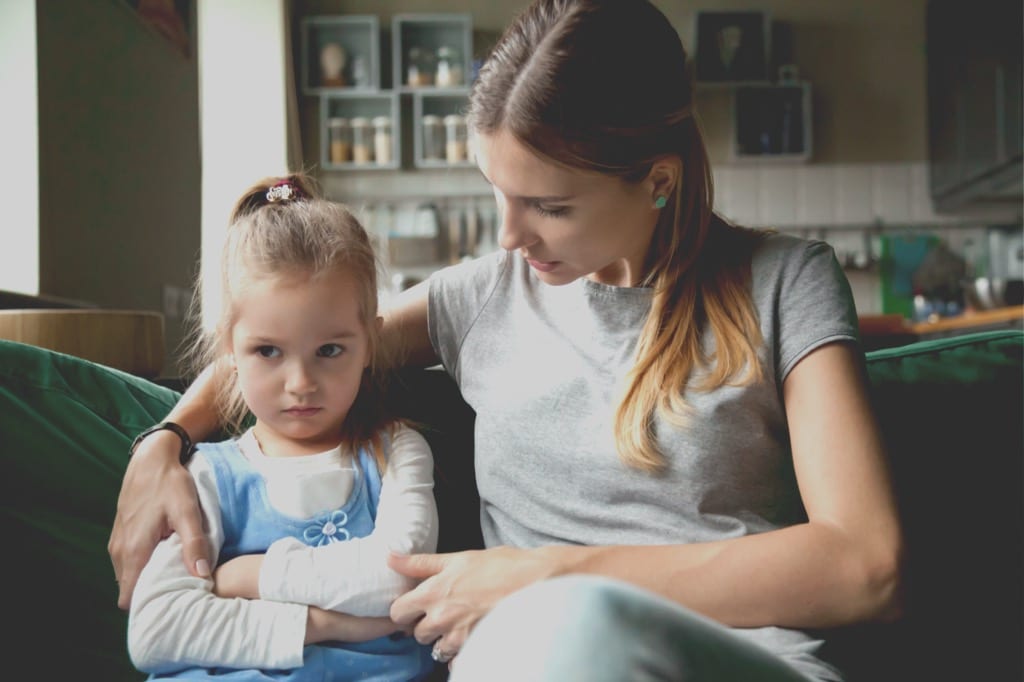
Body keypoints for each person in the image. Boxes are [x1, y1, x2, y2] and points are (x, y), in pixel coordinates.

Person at [111, 1, 905, 679]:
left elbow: (865, 566)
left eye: (549, 206)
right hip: (519, 661)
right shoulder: (480, 298)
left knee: (575, 626)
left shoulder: (785, 282)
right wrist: (163, 443)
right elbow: (294, 350)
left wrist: (548, 577)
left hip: (723, 658)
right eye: (498, 193)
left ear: (656, 180)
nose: (509, 235)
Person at [125, 175, 438, 680]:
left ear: (370, 345)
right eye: (268, 351)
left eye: (330, 351)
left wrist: (251, 576)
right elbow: (155, 631)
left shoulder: (396, 451)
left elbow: (398, 576)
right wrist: (323, 623)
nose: (300, 383)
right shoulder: (206, 473)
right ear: (229, 349)